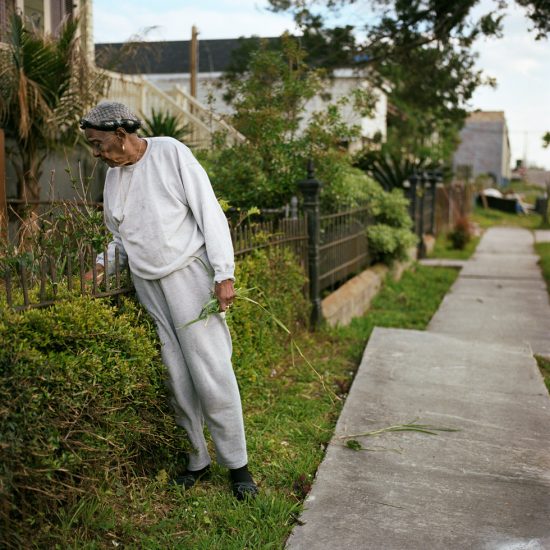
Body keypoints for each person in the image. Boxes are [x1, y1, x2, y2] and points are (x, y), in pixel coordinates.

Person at [80, 101, 258, 500]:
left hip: (190, 275)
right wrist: (99, 267)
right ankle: (197, 460)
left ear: (122, 135)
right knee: (176, 375)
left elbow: (209, 212)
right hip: (149, 284)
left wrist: (223, 273)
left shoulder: (170, 152)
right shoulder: (113, 178)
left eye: (99, 143)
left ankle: (238, 467)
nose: (96, 152)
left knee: (210, 370)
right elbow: (120, 238)